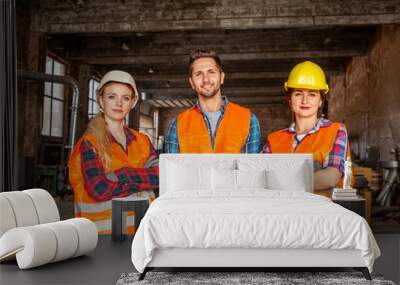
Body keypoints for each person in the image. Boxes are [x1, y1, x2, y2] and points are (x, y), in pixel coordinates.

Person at [68, 70, 159, 234]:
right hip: (101, 235)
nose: (119, 103)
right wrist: (142, 182)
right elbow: (99, 188)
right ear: (101, 100)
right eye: (112, 96)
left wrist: (121, 174)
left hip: (142, 231)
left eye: (125, 98)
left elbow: (160, 175)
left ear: (131, 103)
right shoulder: (90, 143)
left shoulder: (142, 141)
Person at [263, 61, 351, 195]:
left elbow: (331, 177)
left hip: (324, 211)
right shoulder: (274, 139)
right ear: (289, 99)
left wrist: (281, 181)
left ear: (321, 100)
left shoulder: (336, 131)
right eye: (298, 94)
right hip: (281, 211)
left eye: (312, 94)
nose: (305, 101)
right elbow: (261, 177)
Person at [165, 49, 261, 153]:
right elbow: (173, 168)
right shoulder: (178, 125)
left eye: (211, 72)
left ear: (221, 77)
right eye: (198, 74)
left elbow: (250, 167)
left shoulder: (249, 120)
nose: (206, 79)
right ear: (191, 82)